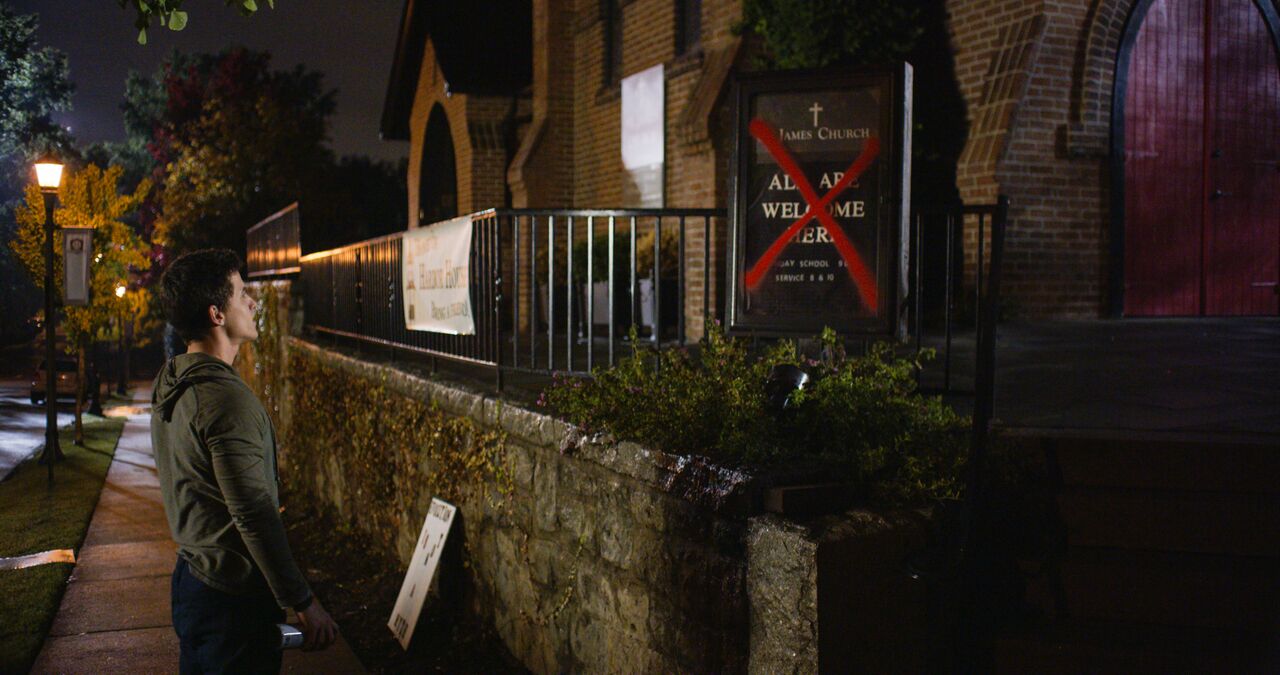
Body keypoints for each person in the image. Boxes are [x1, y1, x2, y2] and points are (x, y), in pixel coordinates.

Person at [151, 248, 337, 673]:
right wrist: (303, 602)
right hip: (229, 599)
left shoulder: (176, 381)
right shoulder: (224, 401)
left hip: (194, 577)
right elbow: (253, 513)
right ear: (217, 314)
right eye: (241, 294)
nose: (253, 302)